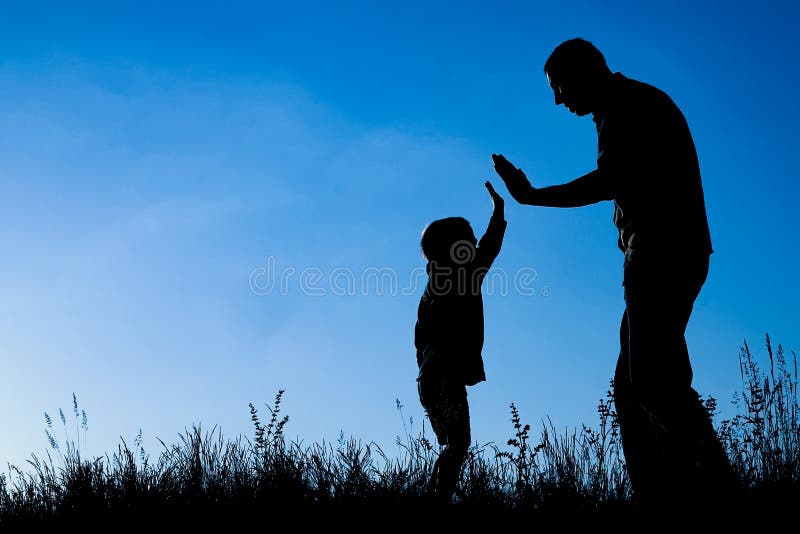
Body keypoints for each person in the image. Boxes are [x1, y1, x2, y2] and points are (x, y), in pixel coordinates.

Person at [492, 38, 734, 508]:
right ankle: (671, 491)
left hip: (660, 253)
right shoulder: (632, 105)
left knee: (652, 385)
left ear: (586, 72)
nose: (558, 100)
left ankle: (714, 487)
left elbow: (611, 180)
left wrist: (532, 195)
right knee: (634, 388)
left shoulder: (627, 108)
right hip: (671, 252)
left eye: (560, 87)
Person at [414, 181, 507, 501]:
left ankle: (437, 497)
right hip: (443, 378)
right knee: (459, 444)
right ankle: (437, 500)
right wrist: (499, 215)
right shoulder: (459, 277)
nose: (472, 246)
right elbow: (490, 247)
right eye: (466, 241)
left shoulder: (435, 284)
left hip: (430, 379)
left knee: (456, 445)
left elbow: (419, 337)